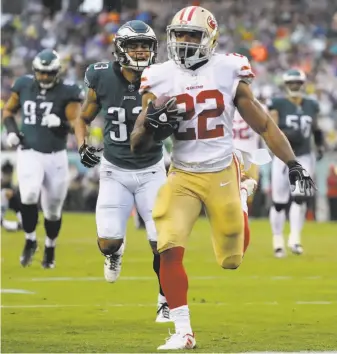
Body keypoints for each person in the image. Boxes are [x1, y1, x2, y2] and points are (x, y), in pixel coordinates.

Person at [130, 6, 315, 350]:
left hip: (222, 172)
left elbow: (263, 124)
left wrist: (293, 164)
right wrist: (154, 126)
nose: (184, 41)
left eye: (192, 35)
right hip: (182, 174)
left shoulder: (228, 70)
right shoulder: (158, 76)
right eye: (179, 35)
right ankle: (183, 331)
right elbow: (138, 139)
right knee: (167, 244)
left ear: (210, 39)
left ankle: (244, 199)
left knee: (231, 259)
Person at [73, 20, 171, 323]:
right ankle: (115, 253)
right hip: (114, 169)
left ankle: (165, 301)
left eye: (145, 45)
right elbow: (82, 118)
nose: (140, 51)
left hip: (152, 169)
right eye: (134, 45)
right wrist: (81, 145)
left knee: (163, 243)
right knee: (108, 242)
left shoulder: (161, 78)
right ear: (120, 49)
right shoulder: (101, 77)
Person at [2, 49, 84, 268]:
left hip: (56, 155)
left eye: (49, 73)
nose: (45, 77)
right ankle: (30, 240)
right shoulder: (24, 85)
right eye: (41, 73)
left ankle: (50, 246)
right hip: (29, 151)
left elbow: (77, 122)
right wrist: (11, 131)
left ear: (57, 72)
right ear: (35, 71)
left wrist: (61, 124)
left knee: (53, 209)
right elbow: (9, 111)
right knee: (28, 194)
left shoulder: (68, 91)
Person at [268, 69, 324, 257]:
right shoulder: (278, 103)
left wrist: (320, 144)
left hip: (304, 156)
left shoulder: (311, 104)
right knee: (279, 202)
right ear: (286, 84)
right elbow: (272, 127)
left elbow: (315, 127)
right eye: (291, 83)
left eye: (297, 83)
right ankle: (277, 241)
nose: (295, 86)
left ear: (303, 84)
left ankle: (295, 238)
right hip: (282, 156)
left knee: (300, 198)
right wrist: (284, 134)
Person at [1, 160, 22, 232]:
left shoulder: (10, 178)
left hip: (5, 196)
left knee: (17, 205)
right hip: (3, 196)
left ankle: (22, 223)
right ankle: (17, 225)